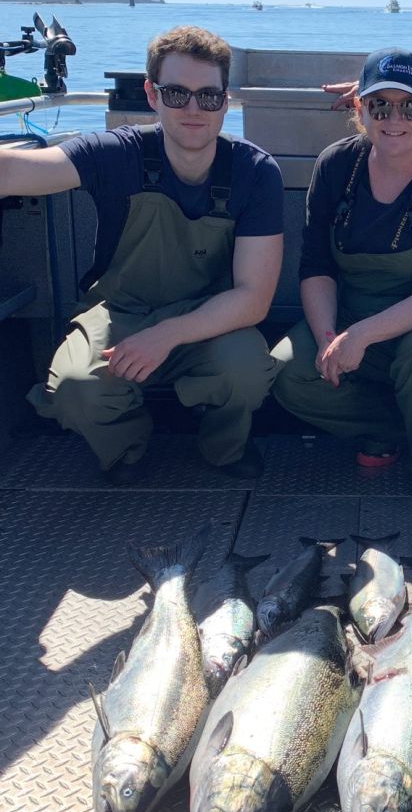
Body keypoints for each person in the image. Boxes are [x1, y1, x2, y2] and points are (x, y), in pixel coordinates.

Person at [6, 25, 284, 484]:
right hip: (120, 312)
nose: (193, 109)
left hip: (207, 319)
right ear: (152, 95)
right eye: (177, 94)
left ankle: (224, 446)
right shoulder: (115, 153)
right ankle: (127, 448)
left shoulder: (255, 172)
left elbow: (253, 298)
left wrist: (167, 335)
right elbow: (16, 170)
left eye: (208, 96)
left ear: (226, 101)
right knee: (77, 388)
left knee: (247, 370)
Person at [270, 47, 412, 509]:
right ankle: (388, 427)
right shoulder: (335, 166)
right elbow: (316, 267)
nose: (395, 118)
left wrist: (360, 337)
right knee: (288, 371)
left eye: (410, 105)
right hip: (357, 309)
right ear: (361, 108)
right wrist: (331, 340)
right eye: (380, 105)